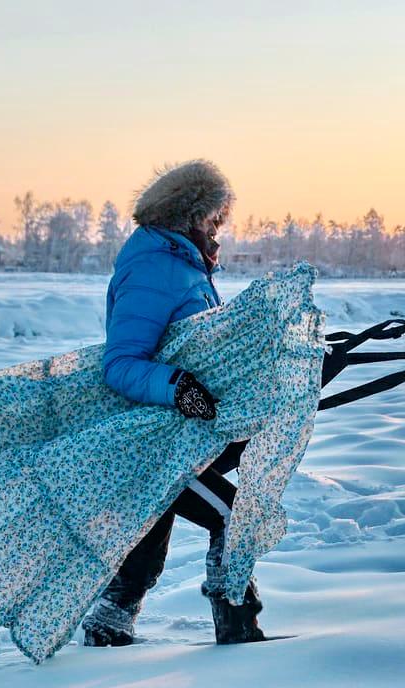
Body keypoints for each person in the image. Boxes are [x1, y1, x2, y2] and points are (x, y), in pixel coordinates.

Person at [81, 159, 266, 647]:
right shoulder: (154, 268)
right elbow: (120, 363)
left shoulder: (182, 266)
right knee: (232, 514)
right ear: (188, 218)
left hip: (177, 434)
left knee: (146, 546)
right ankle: (238, 628)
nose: (219, 232)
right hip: (151, 439)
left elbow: (195, 345)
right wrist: (178, 386)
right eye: (213, 221)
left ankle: (106, 630)